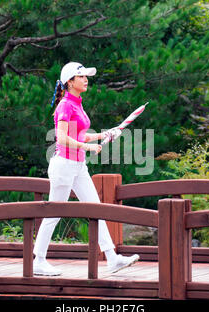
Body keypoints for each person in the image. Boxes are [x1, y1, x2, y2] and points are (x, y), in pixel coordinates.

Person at [33, 62, 139, 276]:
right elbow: (62, 138)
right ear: (70, 82)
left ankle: (112, 258)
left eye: (86, 76)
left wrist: (105, 134)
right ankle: (39, 261)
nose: (86, 79)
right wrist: (87, 147)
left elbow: (80, 134)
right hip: (64, 165)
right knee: (54, 213)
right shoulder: (65, 105)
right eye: (81, 76)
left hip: (78, 166)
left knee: (95, 208)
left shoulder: (77, 103)